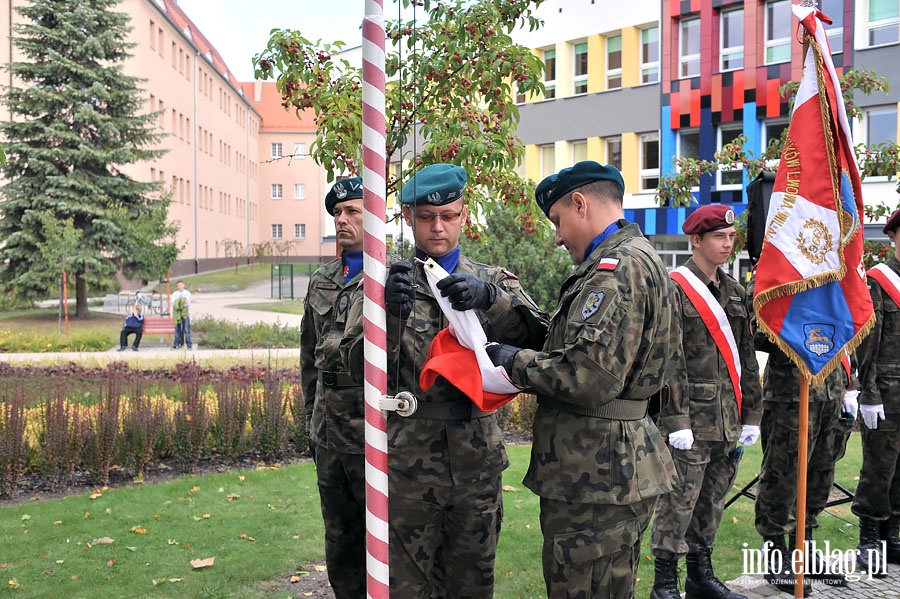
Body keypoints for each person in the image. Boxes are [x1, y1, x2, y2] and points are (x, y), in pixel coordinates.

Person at [341, 163, 548, 598]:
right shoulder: (382, 284)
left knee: (472, 582)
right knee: (406, 586)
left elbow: (543, 342)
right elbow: (352, 367)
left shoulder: (492, 281)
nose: (438, 227)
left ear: (464, 216)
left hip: (476, 460)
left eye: (448, 216)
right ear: (408, 219)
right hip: (408, 463)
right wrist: (387, 318)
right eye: (425, 217)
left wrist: (493, 303)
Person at [484, 160, 680, 598]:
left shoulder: (616, 271)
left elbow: (587, 376)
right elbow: (569, 345)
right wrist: (497, 305)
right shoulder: (633, 260)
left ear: (580, 203)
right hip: (607, 470)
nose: (556, 236)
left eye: (557, 221)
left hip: (597, 476)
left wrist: (511, 362)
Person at [649, 205, 762, 599]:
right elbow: (669, 359)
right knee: (677, 503)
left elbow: (746, 357)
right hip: (691, 421)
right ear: (696, 240)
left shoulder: (735, 292)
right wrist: (676, 419)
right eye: (719, 237)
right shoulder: (675, 288)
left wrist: (752, 414)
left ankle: (700, 574)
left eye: (731, 237)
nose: (728, 244)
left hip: (728, 418)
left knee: (712, 499)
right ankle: (664, 581)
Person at [751, 276, 856, 592]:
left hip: (831, 389)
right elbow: (758, 330)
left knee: (821, 474)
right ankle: (775, 552)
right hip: (791, 393)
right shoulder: (779, 269)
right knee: (783, 474)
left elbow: (851, 321)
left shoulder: (832, 271)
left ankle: (805, 546)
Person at [299, 176, 375, 598]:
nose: (342, 220)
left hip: (372, 434)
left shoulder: (393, 278)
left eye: (352, 211)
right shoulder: (322, 279)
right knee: (339, 538)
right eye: (337, 213)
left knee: (383, 534)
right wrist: (311, 422)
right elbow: (309, 357)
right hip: (328, 434)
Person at [852, 207, 900, 576]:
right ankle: (869, 536)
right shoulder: (879, 280)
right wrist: (867, 392)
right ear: (894, 237)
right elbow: (868, 342)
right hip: (886, 391)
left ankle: (893, 533)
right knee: (879, 469)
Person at [171, 280, 192, 350]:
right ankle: (177, 344)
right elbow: (173, 303)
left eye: (181, 285)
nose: (179, 287)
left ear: (184, 285)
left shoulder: (187, 293)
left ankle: (189, 345)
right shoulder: (175, 294)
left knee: (186, 330)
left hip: (185, 315)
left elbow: (186, 303)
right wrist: (181, 301)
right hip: (177, 315)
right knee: (177, 330)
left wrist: (179, 301)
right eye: (178, 286)